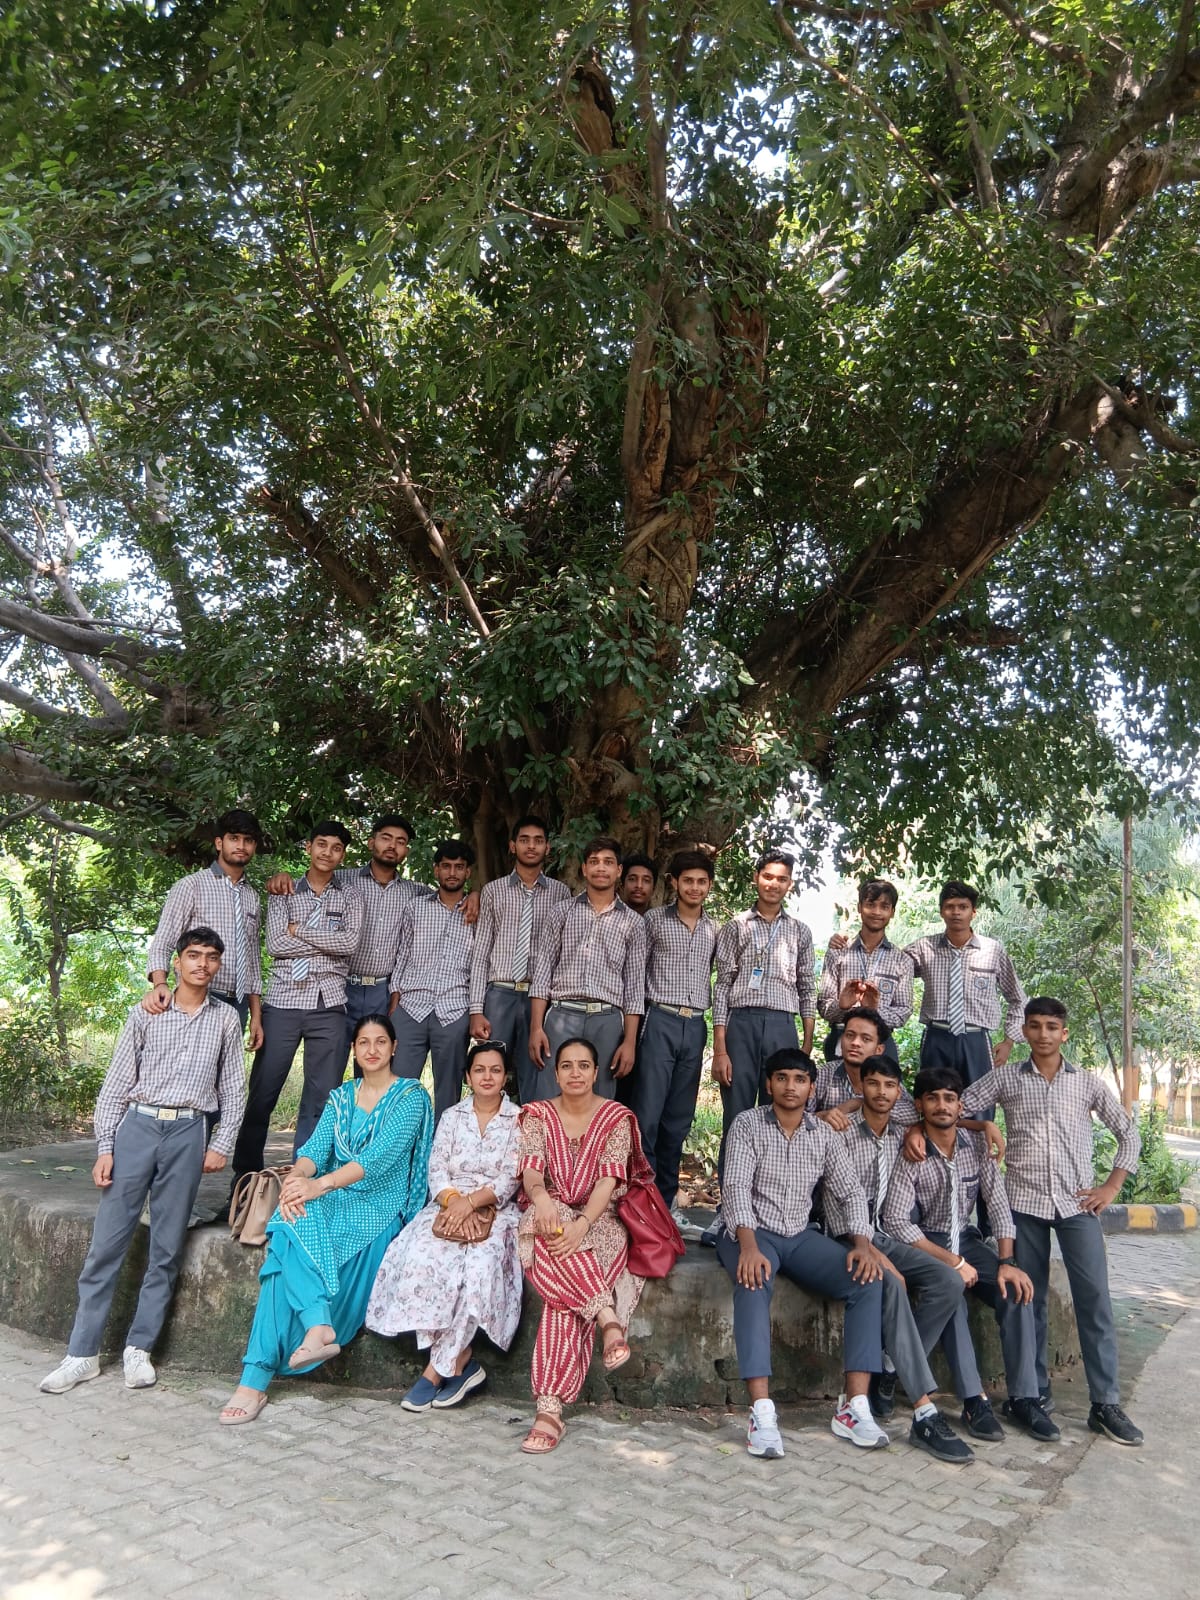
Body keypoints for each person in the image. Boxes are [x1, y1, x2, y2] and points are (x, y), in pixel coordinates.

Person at [40, 928, 246, 1395]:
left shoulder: (225, 1020)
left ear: (218, 965)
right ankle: (82, 1353)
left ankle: (139, 1348)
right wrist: (105, 1147)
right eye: (193, 955)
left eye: (211, 957)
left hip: (189, 1131)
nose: (202, 964)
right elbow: (116, 1084)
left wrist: (221, 1143)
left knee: (167, 1247)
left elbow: (234, 1089)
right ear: (176, 962)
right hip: (138, 1126)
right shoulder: (146, 1012)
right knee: (107, 1244)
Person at [219, 1015, 432, 1424]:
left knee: (284, 1248)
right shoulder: (342, 1096)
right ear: (354, 1049)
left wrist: (319, 1186)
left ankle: (254, 1379)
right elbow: (315, 1150)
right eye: (364, 1042)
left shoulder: (411, 1097)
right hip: (334, 1196)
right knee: (290, 1218)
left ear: (394, 1047)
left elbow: (379, 1159)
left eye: (381, 1041)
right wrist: (297, 1179)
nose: (372, 1049)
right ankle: (317, 1327)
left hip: (378, 1207)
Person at [956, 997, 1144, 1445]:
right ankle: (1036, 1392)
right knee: (1030, 1298)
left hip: (1078, 1206)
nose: (1043, 1034)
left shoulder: (1086, 1083)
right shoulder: (1006, 1078)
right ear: (1024, 1030)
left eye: (1052, 1027)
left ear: (1064, 1033)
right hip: (1024, 1205)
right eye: (1035, 1025)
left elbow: (1128, 1132)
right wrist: (984, 1126)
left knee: (1094, 1300)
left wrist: (1110, 1187)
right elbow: (954, 1107)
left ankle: (1105, 1404)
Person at [715, 1048, 888, 1458]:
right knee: (753, 1279)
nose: (790, 1086)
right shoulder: (748, 1123)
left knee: (866, 1280)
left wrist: (862, 1245)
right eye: (781, 1078)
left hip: (798, 1234)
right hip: (749, 1232)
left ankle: (853, 1406)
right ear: (768, 1083)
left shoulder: (823, 1133)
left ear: (812, 1088)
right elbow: (735, 1186)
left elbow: (850, 1192)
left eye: (799, 1079)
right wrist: (748, 1246)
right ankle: (761, 1412)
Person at [881, 1066, 1058, 1442]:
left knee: (1017, 1291)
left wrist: (1007, 1262)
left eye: (949, 1098)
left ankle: (1024, 1398)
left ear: (961, 1106)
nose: (942, 1105)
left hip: (968, 1240)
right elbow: (895, 1220)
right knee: (953, 1298)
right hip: (929, 1242)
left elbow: (998, 1206)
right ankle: (974, 1400)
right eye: (932, 1098)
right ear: (919, 1105)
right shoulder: (912, 1150)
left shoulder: (977, 1146)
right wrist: (953, 1262)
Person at [822, 1054, 973, 1462]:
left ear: (899, 1092)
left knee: (949, 1281)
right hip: (845, 1236)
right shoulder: (840, 1132)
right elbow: (838, 1202)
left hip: (886, 1234)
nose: (881, 1092)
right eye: (873, 1083)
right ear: (862, 1086)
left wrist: (983, 1125)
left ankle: (891, 1365)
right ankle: (924, 1411)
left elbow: (944, 1116)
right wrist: (871, 1250)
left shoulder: (902, 1131)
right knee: (890, 1281)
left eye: (890, 1085)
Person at [365, 1041, 523, 1411]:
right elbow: (436, 1169)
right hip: (448, 1208)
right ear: (468, 1076)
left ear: (505, 1077)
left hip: (495, 1212)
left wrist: (473, 1202)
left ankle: (435, 1372)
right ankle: (460, 1360)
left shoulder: (519, 1120)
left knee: (478, 1269)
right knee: (422, 1256)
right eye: (479, 1070)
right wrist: (454, 1202)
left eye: (495, 1070)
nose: (487, 1077)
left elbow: (511, 1177)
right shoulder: (452, 1116)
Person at [516, 1036, 652, 1453]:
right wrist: (542, 1200)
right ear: (555, 1074)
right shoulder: (537, 1115)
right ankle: (607, 1318)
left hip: (601, 1220)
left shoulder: (616, 1118)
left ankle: (549, 1409)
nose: (575, 1073)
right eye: (567, 1066)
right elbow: (532, 1170)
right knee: (549, 1226)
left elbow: (608, 1180)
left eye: (583, 1065)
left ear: (595, 1073)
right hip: (550, 1213)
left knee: (560, 1302)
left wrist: (583, 1224)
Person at [266, 816, 479, 1076]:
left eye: (400, 842)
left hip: (381, 992)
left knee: (372, 1073)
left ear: (406, 850)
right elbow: (311, 878)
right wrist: (281, 877)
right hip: (340, 987)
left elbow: (449, 897)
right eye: (386, 838)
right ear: (371, 842)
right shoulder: (343, 880)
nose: (392, 846)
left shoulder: (416, 894)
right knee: (328, 1072)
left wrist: (475, 894)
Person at [232, 821, 364, 1179]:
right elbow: (276, 944)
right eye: (321, 844)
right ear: (308, 847)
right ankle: (244, 1180)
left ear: (343, 854)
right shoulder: (284, 891)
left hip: (329, 1004)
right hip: (283, 1002)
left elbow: (349, 944)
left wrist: (299, 930)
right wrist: (324, 942)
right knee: (262, 1094)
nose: (327, 853)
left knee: (320, 1100)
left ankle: (303, 1181)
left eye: (336, 847)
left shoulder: (351, 896)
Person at [711, 850, 816, 1174]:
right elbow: (722, 986)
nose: (773, 884)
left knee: (780, 1111)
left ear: (790, 884)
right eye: (768, 876)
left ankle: (770, 1190)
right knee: (737, 1114)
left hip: (783, 1026)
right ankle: (731, 1194)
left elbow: (807, 987)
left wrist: (806, 1042)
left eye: (781, 879)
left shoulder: (800, 931)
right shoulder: (736, 926)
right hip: (741, 1024)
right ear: (756, 878)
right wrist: (720, 1049)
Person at [528, 835, 647, 1099]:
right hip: (562, 1013)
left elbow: (634, 987)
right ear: (584, 868)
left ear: (619, 870)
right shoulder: (562, 912)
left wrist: (629, 1042)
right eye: (594, 861)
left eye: (608, 862)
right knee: (550, 1094)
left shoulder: (634, 923)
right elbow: (542, 973)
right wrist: (536, 1028)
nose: (600, 868)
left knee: (600, 1097)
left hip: (607, 1018)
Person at [632, 849, 717, 1219]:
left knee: (678, 1120)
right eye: (688, 881)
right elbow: (636, 975)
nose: (694, 888)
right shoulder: (654, 921)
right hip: (660, 1019)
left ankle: (666, 1204)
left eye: (701, 882)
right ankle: (640, 1202)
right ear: (674, 883)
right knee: (647, 1117)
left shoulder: (715, 930)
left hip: (695, 1025)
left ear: (709, 885)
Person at [468, 815, 571, 1104]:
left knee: (537, 1070)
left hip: (539, 997)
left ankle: (532, 1129)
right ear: (513, 846)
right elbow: (481, 953)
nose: (531, 846)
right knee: (490, 1068)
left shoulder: (561, 894)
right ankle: (485, 1129)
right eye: (524, 840)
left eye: (538, 841)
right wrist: (476, 1009)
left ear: (547, 848)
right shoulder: (493, 890)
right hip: (499, 993)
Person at [143, 809, 265, 1048]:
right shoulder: (191, 886)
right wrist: (160, 985)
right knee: (188, 1065)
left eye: (248, 840)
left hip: (238, 1004)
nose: (241, 846)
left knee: (225, 1068)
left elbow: (253, 960)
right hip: (198, 996)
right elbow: (164, 942)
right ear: (219, 843)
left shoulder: (252, 896)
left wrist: (255, 1015)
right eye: (234, 838)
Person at [905, 881, 1026, 1089]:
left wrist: (1009, 1041)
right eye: (950, 907)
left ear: (973, 912)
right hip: (937, 1038)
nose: (956, 912)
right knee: (933, 1098)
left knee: (980, 1100)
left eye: (963, 907)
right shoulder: (924, 948)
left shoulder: (992, 950)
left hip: (976, 1039)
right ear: (941, 912)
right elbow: (892, 966)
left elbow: (1018, 998)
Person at [388, 839, 477, 1124]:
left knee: (448, 1091)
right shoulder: (416, 907)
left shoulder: (477, 912)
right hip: (411, 1007)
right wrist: (395, 996)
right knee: (399, 1087)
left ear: (468, 872)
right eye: (446, 866)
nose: (452, 873)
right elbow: (402, 953)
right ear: (436, 870)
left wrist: (474, 1010)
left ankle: (442, 1148)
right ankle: (400, 1146)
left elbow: (481, 965)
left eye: (459, 867)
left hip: (454, 1009)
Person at [817, 879, 911, 1066]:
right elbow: (823, 1005)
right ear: (860, 907)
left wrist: (875, 1011)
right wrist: (842, 1007)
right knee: (838, 1085)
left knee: (883, 1085)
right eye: (870, 904)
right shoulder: (838, 952)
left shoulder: (901, 960)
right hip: (842, 1036)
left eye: (884, 906)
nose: (877, 912)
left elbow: (904, 1011)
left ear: (892, 912)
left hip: (881, 1039)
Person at [812, 1007, 914, 1129]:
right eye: (850, 1035)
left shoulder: (885, 1076)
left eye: (866, 1039)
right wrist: (823, 1116)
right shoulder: (822, 1075)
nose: (855, 1043)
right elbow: (798, 1115)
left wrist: (861, 1104)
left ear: (879, 1050)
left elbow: (913, 1113)